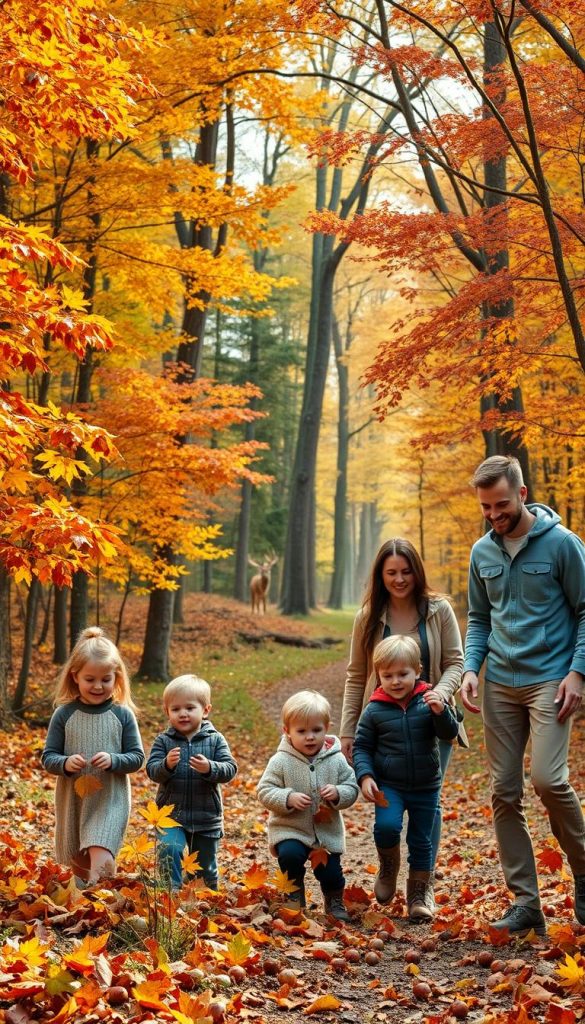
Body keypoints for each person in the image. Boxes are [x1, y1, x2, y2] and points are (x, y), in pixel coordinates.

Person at [461, 455, 585, 936]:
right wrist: (472, 669)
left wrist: (577, 674)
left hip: (550, 682)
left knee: (548, 780)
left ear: (523, 493)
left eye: (502, 504)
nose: (494, 514)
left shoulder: (562, 546)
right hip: (499, 687)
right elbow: (478, 617)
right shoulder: (481, 553)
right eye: (486, 507)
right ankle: (526, 902)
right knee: (503, 791)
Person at [340, 537, 465, 890]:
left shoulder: (438, 609)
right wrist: (348, 730)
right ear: (380, 575)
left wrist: (440, 694)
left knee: (430, 799)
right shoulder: (368, 617)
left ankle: (421, 886)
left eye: (406, 571)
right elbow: (355, 674)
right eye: (391, 572)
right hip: (386, 722)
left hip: (434, 718)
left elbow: (456, 662)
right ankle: (390, 866)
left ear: (417, 571)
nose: (399, 579)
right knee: (390, 799)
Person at [353, 635, 459, 921]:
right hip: (390, 785)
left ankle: (417, 895)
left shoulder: (429, 702)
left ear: (418, 671)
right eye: (388, 675)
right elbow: (362, 746)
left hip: (426, 786)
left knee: (422, 840)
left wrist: (442, 712)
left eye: (403, 674)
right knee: (386, 827)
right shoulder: (374, 709)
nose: (396, 681)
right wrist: (364, 776)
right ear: (379, 676)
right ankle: (388, 868)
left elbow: (449, 733)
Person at [41, 626, 144, 887]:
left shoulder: (122, 715)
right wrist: (65, 763)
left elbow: (136, 757)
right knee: (79, 869)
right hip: (73, 799)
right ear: (75, 677)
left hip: (110, 799)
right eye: (90, 679)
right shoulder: (64, 715)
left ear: (116, 678)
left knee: (101, 850)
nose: (98, 686)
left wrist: (114, 760)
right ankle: (83, 911)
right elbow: (48, 757)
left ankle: (104, 902)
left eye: (105, 679)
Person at [257, 690, 359, 922]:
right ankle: (293, 897)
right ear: (287, 732)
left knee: (330, 872)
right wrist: (287, 798)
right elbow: (264, 791)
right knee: (290, 857)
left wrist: (338, 793)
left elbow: (351, 787)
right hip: (290, 829)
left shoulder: (336, 758)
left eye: (316, 730)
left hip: (326, 835)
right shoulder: (280, 761)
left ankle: (334, 900)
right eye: (301, 731)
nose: (310, 737)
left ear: (326, 727)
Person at [146, 674, 237, 891]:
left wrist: (210, 768)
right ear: (167, 712)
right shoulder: (164, 741)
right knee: (169, 849)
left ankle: (203, 897)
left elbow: (230, 769)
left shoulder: (215, 739)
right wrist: (166, 765)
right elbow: (152, 771)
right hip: (171, 815)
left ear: (205, 710)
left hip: (205, 816)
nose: (183, 713)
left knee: (204, 869)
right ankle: (170, 891)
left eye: (189, 707)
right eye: (176, 709)